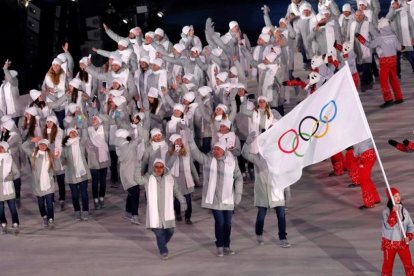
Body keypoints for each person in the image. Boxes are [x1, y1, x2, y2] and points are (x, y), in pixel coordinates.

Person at [187, 129, 243, 257]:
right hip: (214, 198)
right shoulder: (208, 160)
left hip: (228, 198)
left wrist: (238, 195)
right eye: (214, 149)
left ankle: (227, 246)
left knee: (228, 223)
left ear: (223, 151)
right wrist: (190, 140)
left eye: (217, 149)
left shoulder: (232, 161)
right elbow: (196, 154)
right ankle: (219, 245)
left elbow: (239, 178)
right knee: (220, 222)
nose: (215, 151)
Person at [242, 132, 290, 248]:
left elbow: (285, 177)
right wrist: (248, 142)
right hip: (263, 192)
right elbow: (244, 154)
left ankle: (283, 238)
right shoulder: (259, 158)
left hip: (277, 193)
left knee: (281, 216)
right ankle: (259, 234)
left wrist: (287, 193)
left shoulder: (280, 160)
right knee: (261, 216)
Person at [135, 158, 186, 260]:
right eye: (156, 167)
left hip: (167, 211)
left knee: (171, 231)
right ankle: (163, 250)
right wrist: (137, 166)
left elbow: (176, 191)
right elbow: (138, 180)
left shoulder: (170, 178)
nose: (158, 169)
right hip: (154, 213)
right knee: (159, 233)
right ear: (153, 167)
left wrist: (182, 201)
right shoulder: (148, 178)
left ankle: (162, 243)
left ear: (164, 167)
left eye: (160, 167)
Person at [22, 139, 56, 229]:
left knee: (49, 203)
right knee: (41, 204)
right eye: (41, 145)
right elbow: (23, 146)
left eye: (44, 145)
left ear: (47, 147)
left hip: (48, 184)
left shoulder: (50, 156)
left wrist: (57, 159)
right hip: (38, 184)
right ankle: (44, 217)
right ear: (38, 145)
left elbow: (55, 168)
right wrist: (31, 141)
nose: (42, 146)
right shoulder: (33, 155)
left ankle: (51, 219)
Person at [381, 187, 414, 275]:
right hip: (390, 244)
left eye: (399, 195)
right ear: (391, 198)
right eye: (395, 196)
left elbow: (411, 225)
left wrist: (409, 236)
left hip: (402, 243)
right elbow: (389, 226)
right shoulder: (386, 212)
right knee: (387, 266)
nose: (398, 197)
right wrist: (393, 213)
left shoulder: (404, 211)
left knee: (409, 266)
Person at [62, 128, 91, 221]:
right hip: (72, 173)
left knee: (84, 193)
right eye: (71, 132)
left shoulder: (80, 142)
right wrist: (63, 161)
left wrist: (81, 119)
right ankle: (77, 211)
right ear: (68, 134)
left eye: (74, 132)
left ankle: (85, 211)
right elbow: (63, 158)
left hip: (82, 171)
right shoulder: (65, 146)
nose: (73, 133)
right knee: (74, 195)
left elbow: (85, 134)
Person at [0, 142, 20, 234]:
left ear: (5, 149)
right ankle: (3, 223)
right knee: (0, 209)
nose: (0, 149)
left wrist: (9, 177)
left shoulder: (10, 159)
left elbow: (16, 172)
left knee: (12, 207)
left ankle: (15, 223)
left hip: (8, 188)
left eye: (2, 148)